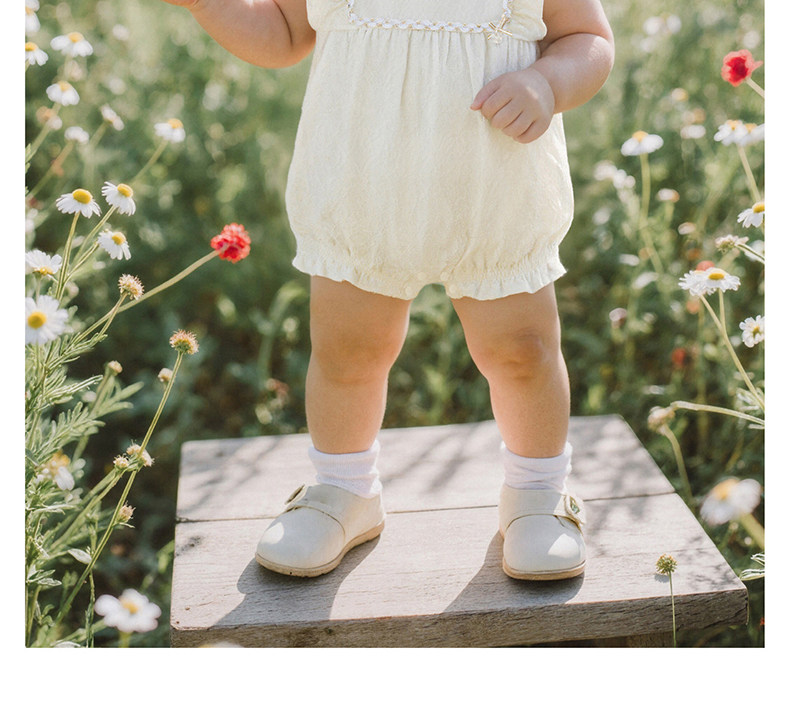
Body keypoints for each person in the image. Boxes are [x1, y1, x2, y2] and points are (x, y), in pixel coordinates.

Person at [162, 0, 615, 580]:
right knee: (347, 353)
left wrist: (547, 83)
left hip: (494, 196)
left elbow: (587, 38)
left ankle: (536, 494)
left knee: (523, 352)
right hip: (362, 194)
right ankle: (344, 489)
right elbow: (283, 32)